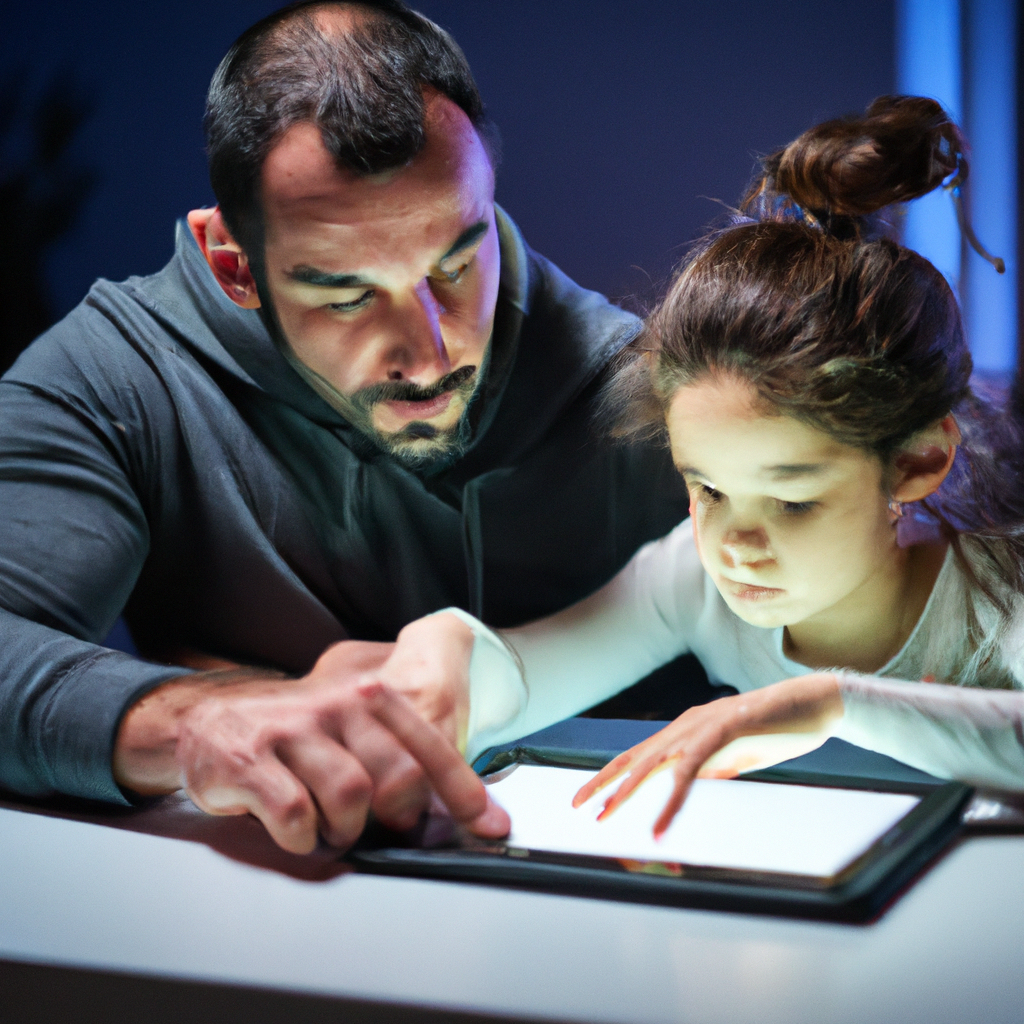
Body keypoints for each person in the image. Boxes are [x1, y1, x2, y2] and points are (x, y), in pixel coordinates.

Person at [0, 1, 692, 853]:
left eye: (456, 264)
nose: (428, 353)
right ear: (233, 266)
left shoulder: (653, 396)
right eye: (348, 295)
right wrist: (197, 722)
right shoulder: (119, 378)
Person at [425, 95, 1024, 833]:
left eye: (793, 501)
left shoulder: (995, 594)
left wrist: (832, 704)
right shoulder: (698, 582)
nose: (736, 544)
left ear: (917, 461)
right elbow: (522, 676)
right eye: (708, 489)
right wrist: (448, 660)